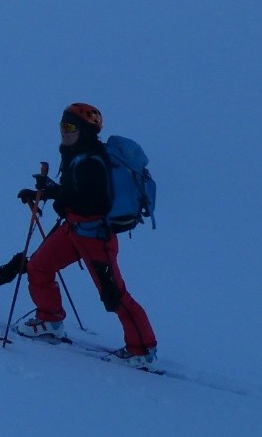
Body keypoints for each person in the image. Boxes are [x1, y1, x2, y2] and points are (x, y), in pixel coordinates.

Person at [13, 102, 158, 368]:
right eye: (62, 126)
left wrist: (59, 200)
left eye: (70, 127)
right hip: (73, 230)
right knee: (39, 267)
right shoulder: (76, 154)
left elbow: (95, 204)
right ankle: (50, 321)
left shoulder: (92, 160)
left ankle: (142, 349)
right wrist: (47, 193)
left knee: (114, 295)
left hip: (95, 237)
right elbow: (75, 192)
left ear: (85, 131)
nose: (64, 132)